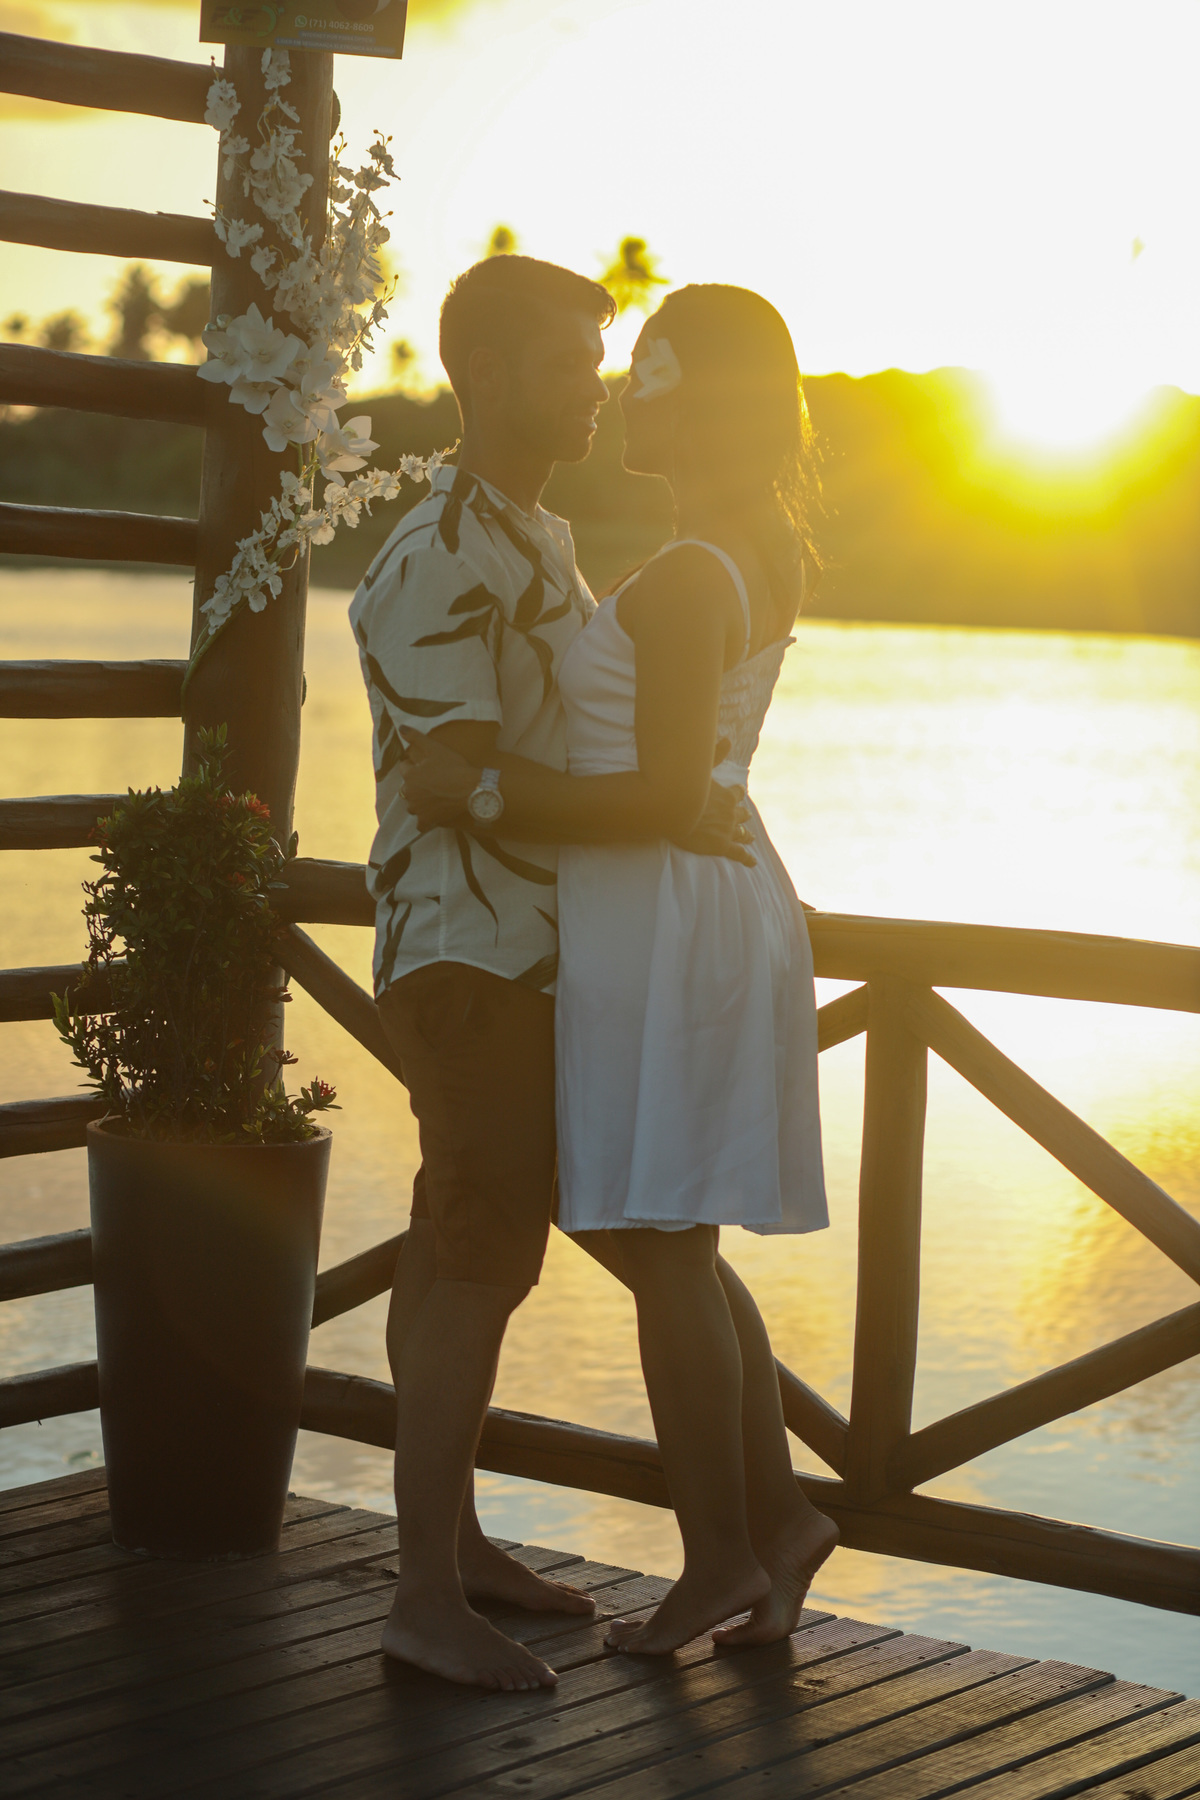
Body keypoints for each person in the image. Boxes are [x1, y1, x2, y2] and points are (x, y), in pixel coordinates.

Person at [400, 283, 839, 1659]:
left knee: (662, 1243)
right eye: (603, 365)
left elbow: (657, 791)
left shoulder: (693, 570)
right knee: (665, 1240)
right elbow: (672, 780)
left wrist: (475, 792)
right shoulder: (711, 551)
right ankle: (770, 1529)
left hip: (658, 914)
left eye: (641, 368)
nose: (614, 390)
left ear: (701, 399)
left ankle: (726, 1552)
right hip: (650, 913)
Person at [350, 255, 749, 1693]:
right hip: (469, 952)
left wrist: (653, 813)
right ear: (488, 374)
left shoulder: (538, 537)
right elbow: (455, 784)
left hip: (530, 955)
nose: (598, 382)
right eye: (574, 359)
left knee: (449, 1235)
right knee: (481, 1257)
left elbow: (533, 753)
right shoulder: (437, 554)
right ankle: (418, 1600)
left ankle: (453, 1550)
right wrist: (653, 812)